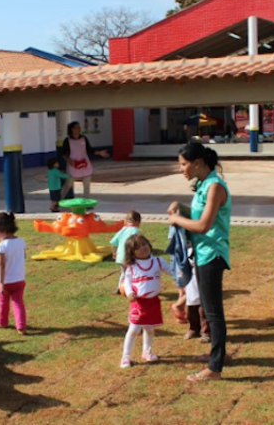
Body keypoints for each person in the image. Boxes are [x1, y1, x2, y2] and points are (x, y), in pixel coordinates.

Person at [168, 143, 231, 382]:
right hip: (203, 254)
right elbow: (198, 215)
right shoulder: (204, 184)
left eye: (183, 164)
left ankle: (215, 367)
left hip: (212, 254)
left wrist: (176, 220)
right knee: (208, 307)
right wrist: (181, 208)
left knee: (213, 312)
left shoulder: (215, 186)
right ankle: (216, 356)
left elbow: (203, 225)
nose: (181, 169)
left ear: (198, 163)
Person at [120, 234, 171, 368]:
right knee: (134, 329)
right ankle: (126, 356)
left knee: (149, 329)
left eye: (144, 244)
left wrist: (182, 275)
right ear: (131, 252)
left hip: (153, 302)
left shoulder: (158, 261)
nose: (143, 248)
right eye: (138, 247)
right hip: (138, 303)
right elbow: (127, 281)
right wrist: (129, 292)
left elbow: (171, 271)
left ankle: (146, 351)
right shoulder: (132, 266)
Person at [0, 212, 27, 335]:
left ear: (3, 230)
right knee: (18, 302)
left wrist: (1, 282)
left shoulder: (1, 246)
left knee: (3, 302)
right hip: (19, 279)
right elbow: (23, 256)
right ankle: (21, 326)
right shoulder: (21, 241)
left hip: (6, 281)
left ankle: (2, 321)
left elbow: (1, 265)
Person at [60, 121, 109, 199]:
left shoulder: (83, 138)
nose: (79, 129)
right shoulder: (67, 140)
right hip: (73, 164)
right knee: (68, 184)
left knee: (87, 183)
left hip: (84, 163)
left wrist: (99, 153)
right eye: (77, 128)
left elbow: (89, 150)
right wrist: (68, 160)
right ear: (72, 129)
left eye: (79, 127)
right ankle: (59, 200)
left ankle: (86, 200)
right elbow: (62, 153)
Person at [109, 210, 142, 295]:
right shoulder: (136, 231)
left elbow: (113, 242)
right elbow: (139, 244)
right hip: (130, 257)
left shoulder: (122, 230)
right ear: (138, 222)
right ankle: (130, 288)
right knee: (132, 273)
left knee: (124, 273)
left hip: (120, 257)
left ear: (126, 221)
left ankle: (120, 287)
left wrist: (114, 253)